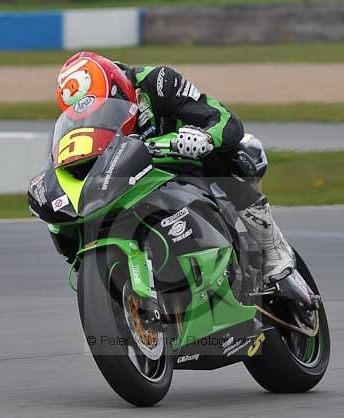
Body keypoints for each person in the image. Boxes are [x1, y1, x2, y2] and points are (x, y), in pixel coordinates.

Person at [54, 51, 296, 285]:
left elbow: (224, 119)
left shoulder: (158, 82)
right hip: (131, 182)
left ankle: (271, 246)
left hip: (187, 163)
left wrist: (206, 138)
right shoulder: (82, 124)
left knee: (233, 154)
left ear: (118, 86)